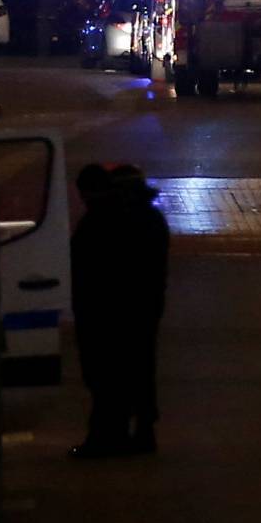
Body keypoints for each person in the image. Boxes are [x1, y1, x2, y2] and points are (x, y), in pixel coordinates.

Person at [69, 162, 170, 459]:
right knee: (140, 368)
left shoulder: (104, 221)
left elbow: (94, 270)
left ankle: (107, 436)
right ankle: (141, 431)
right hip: (145, 307)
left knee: (107, 374)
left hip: (109, 312)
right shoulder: (151, 219)